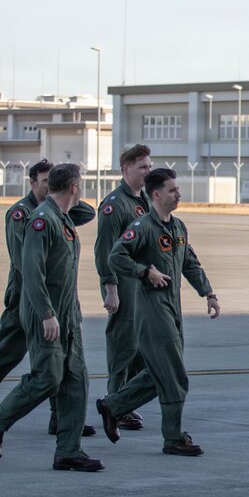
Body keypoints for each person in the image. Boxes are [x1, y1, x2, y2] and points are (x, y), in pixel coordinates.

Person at [0, 164, 103, 471]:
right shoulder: (41, 220)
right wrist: (46, 314)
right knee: (47, 378)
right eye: (80, 184)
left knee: (76, 382)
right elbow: (31, 273)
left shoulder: (62, 218)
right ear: (74, 187)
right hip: (45, 313)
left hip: (68, 315)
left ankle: (68, 451)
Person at [95, 168, 221, 456]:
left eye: (177, 189)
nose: (178, 194)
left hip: (172, 307)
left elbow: (190, 263)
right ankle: (173, 438)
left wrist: (209, 293)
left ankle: (112, 406)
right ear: (156, 195)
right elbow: (116, 256)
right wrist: (143, 272)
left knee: (157, 372)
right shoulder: (142, 227)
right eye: (172, 190)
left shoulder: (177, 228)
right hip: (152, 309)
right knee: (175, 376)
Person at [94, 143, 152, 431]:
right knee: (122, 351)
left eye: (149, 166)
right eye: (142, 167)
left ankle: (124, 404)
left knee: (142, 351)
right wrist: (111, 288)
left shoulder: (144, 202)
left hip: (144, 288)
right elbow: (104, 250)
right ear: (125, 169)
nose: (147, 171)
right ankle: (114, 404)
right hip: (125, 287)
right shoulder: (114, 205)